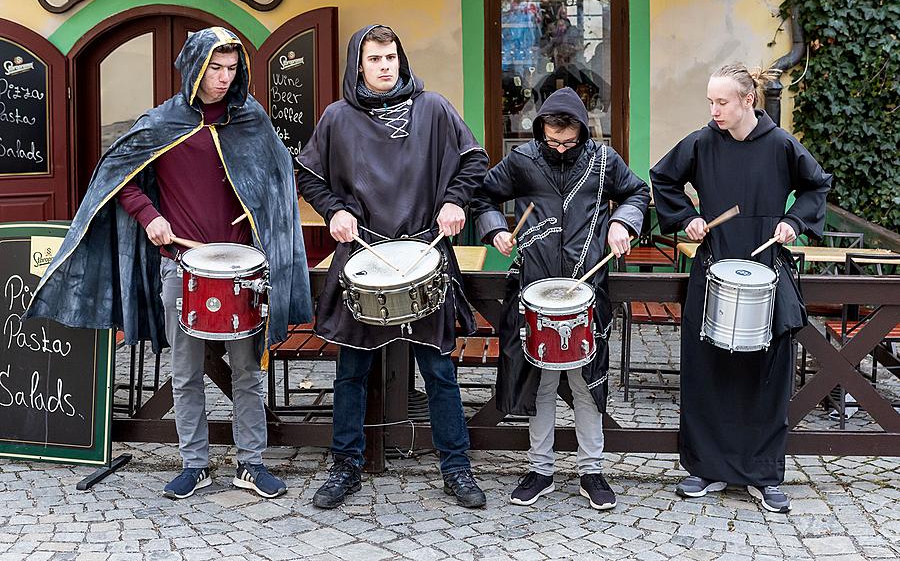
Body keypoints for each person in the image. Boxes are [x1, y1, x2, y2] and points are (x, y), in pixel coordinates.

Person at [26, 27, 312, 499]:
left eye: (231, 68)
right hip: (182, 266)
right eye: (214, 68)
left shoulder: (251, 119)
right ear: (194, 68)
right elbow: (119, 179)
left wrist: (262, 210)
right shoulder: (162, 121)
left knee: (247, 370)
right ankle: (194, 464)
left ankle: (252, 464)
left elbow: (279, 177)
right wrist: (151, 216)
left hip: (244, 269)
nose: (223, 78)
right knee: (185, 371)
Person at [296, 25, 489, 509]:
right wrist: (334, 211)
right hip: (363, 255)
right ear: (357, 65)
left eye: (391, 57)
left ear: (401, 59)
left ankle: (456, 467)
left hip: (424, 251)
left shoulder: (434, 109)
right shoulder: (338, 118)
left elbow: (473, 162)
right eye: (374, 59)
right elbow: (309, 174)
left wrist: (454, 201)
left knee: (439, 370)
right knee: (351, 371)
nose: (385, 66)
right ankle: (346, 465)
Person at [651, 63, 832, 513]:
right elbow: (663, 179)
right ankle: (705, 469)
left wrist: (793, 222)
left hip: (767, 268)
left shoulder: (781, 145)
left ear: (747, 100)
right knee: (707, 370)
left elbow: (817, 186)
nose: (714, 110)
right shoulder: (699, 142)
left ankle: (764, 473)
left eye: (722, 102)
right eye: (710, 101)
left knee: (765, 375)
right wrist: (687, 218)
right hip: (713, 266)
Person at [471, 87, 650, 510]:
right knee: (541, 381)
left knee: (587, 384)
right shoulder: (523, 160)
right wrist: (496, 228)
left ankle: (592, 471)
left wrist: (622, 222)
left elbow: (637, 193)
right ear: (541, 131)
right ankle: (540, 469)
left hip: (588, 288)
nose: (560, 148)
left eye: (568, 141)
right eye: (552, 140)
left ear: (583, 134)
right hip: (535, 284)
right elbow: (483, 195)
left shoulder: (604, 161)